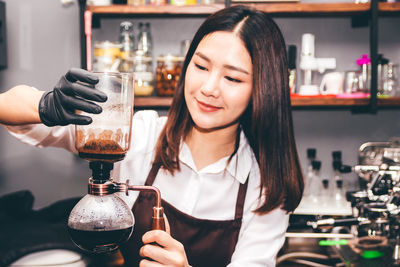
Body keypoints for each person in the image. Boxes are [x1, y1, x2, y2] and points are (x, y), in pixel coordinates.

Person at [1, 5, 303, 267]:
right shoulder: (140, 134)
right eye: (200, 66)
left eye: (232, 78)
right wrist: (45, 105)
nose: (210, 87)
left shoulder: (267, 186)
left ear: (261, 90)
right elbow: (8, 109)